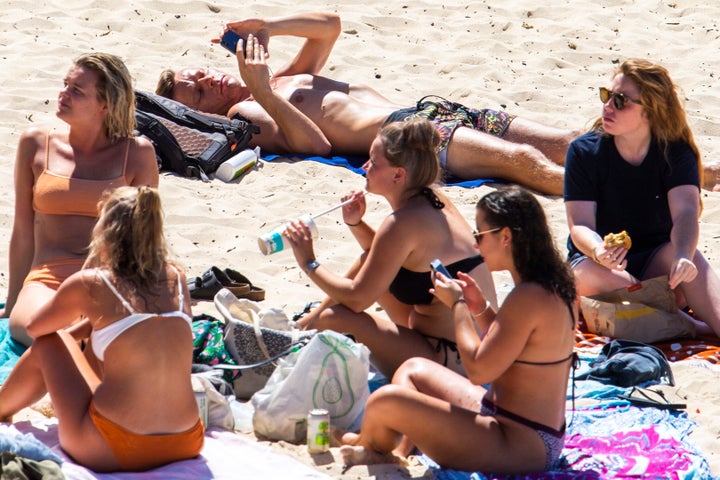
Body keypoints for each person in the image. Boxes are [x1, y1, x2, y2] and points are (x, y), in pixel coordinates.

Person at [155, 12, 581, 196]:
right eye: (197, 91)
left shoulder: (282, 77)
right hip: (410, 136)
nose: (208, 78)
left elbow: (329, 28)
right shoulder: (244, 114)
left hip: (435, 110)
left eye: (199, 73)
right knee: (525, 161)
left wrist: (268, 27)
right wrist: (262, 91)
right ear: (201, 112)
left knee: (570, 140)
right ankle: (615, 194)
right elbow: (317, 147)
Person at [339, 186, 577, 474]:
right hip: (527, 430)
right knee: (414, 367)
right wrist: (481, 308)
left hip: (519, 443)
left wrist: (458, 305)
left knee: (384, 401)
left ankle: (375, 447)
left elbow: (478, 370)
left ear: (505, 237)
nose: (476, 245)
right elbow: (514, 344)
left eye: (480, 235)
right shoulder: (550, 284)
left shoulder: (527, 296)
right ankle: (398, 450)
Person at [0, 186, 203, 472]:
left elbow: (36, 328)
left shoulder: (92, 283)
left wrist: (86, 318)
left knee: (49, 342)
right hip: (187, 441)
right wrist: (93, 323)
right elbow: (138, 324)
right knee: (105, 338)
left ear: (106, 230)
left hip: (114, 448)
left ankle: (1, 407)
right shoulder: (176, 279)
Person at [283, 118, 496, 379]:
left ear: (398, 175)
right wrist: (356, 223)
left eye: (373, 162)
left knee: (334, 318)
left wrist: (309, 262)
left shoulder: (402, 222)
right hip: (465, 343)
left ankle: (302, 333)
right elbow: (384, 254)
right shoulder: (434, 200)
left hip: (454, 361)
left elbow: (357, 299)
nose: (364, 167)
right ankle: (303, 328)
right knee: (367, 260)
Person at [5, 52, 160, 346]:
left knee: (108, 335)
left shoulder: (137, 154)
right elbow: (23, 231)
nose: (63, 94)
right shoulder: (35, 143)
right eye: (65, 85)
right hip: (47, 279)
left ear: (105, 104)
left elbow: (144, 239)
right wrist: (13, 301)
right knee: (34, 329)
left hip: (108, 278)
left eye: (76, 90)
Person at [564, 58, 720, 337]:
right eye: (606, 95)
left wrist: (683, 255)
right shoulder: (584, 152)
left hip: (654, 263)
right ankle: (690, 326)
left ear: (650, 112)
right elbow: (580, 226)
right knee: (591, 276)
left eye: (621, 100)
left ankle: (667, 316)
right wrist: (599, 250)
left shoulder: (675, 152)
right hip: (598, 265)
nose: (608, 106)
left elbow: (685, 213)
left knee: (690, 259)